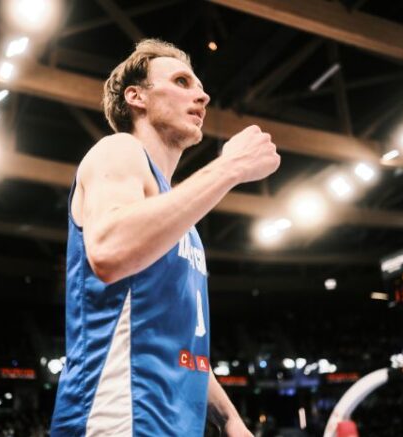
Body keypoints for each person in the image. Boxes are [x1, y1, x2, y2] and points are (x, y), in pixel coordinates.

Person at [50, 39, 280, 436]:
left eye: (200, 87)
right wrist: (231, 167)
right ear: (136, 97)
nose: (202, 96)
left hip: (173, 424)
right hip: (117, 416)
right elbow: (108, 252)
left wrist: (231, 420)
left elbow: (181, 343)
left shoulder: (178, 218)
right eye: (181, 81)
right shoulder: (118, 150)